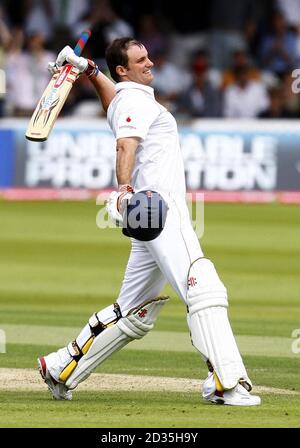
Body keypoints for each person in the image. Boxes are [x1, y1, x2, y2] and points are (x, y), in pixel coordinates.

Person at [38, 37, 261, 406]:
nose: (150, 63)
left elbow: (116, 100)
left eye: (148, 57)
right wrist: (123, 188)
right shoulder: (134, 101)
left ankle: (61, 367)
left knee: (131, 312)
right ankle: (226, 383)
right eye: (140, 60)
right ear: (123, 69)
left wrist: (89, 70)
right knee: (202, 286)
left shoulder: (127, 98)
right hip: (160, 207)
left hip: (149, 216)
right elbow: (125, 145)